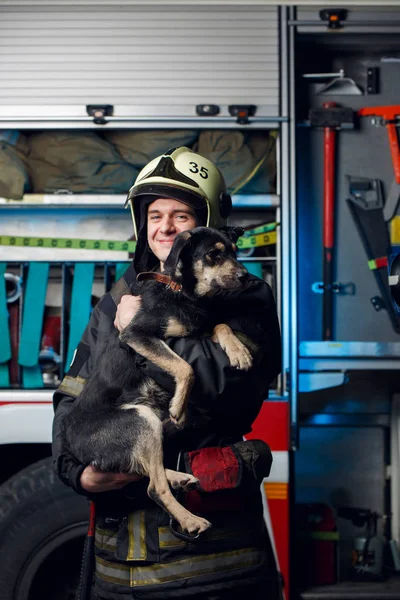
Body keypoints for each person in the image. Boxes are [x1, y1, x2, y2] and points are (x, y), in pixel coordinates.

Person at [52, 146, 282, 600]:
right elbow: (74, 394)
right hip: (116, 570)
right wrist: (76, 473)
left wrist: (136, 334)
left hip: (211, 569)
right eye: (155, 214)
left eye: (181, 215)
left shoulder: (246, 296)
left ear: (207, 223)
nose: (165, 227)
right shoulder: (123, 295)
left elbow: (223, 384)